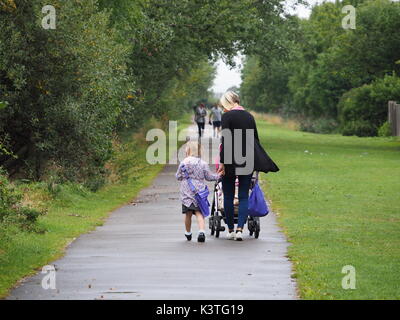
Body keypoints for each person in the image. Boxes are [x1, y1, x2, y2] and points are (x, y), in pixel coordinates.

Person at [217, 91, 279, 241]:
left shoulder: (227, 117)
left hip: (231, 159)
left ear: (227, 102)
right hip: (247, 160)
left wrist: (222, 163)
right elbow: (255, 139)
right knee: (244, 195)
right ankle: (240, 230)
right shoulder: (249, 116)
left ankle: (231, 229)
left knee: (229, 195)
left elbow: (226, 141)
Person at [176, 141, 220, 243]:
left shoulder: (184, 163)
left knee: (188, 214)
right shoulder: (203, 163)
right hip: (199, 192)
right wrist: (218, 175)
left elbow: (178, 176)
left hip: (187, 192)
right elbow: (209, 177)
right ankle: (201, 231)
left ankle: (188, 233)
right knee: (199, 213)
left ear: (188, 150)